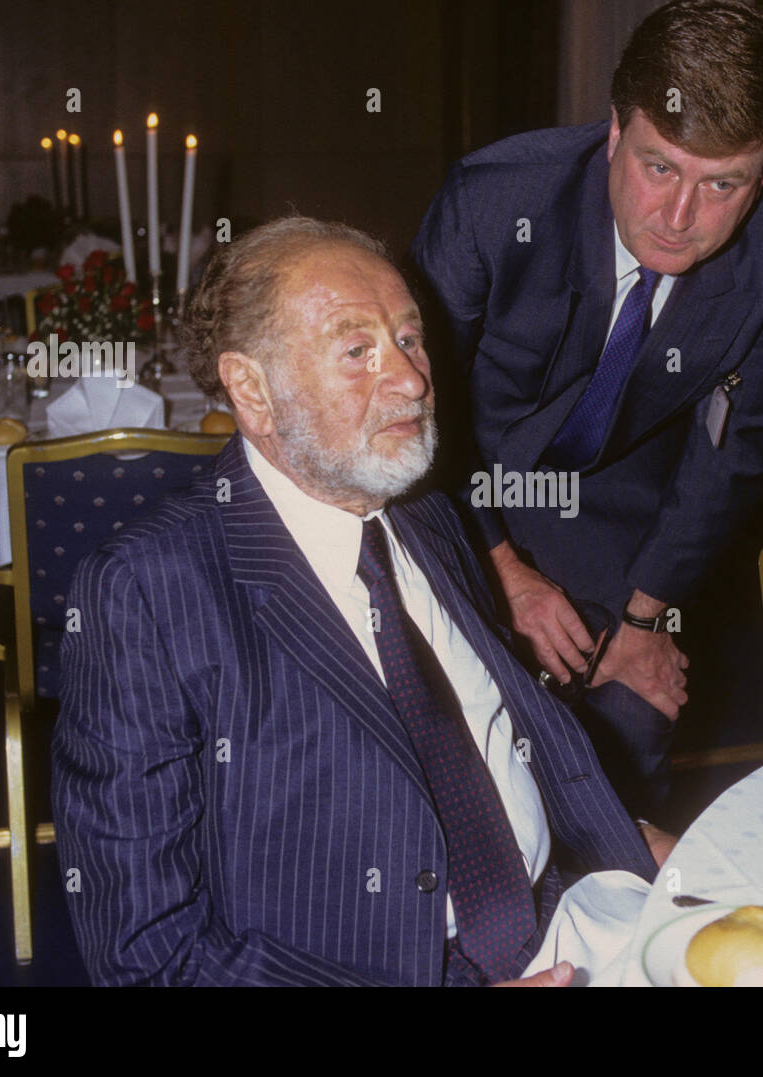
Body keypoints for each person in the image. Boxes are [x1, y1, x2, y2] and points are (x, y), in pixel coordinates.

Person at [51, 217, 670, 987]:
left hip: (568, 925)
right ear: (253, 390)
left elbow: (501, 739)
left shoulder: (427, 517)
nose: (411, 378)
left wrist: (632, 846)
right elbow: (146, 954)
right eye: (357, 351)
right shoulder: (147, 592)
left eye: (409, 339)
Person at [410, 0, 763, 819]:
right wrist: (501, 572)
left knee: (633, 715)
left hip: (615, 501)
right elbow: (413, 412)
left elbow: (736, 446)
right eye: (659, 167)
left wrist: (643, 616)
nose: (680, 218)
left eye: (723, 184)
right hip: (456, 483)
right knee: (462, 728)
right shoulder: (494, 202)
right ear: (615, 132)